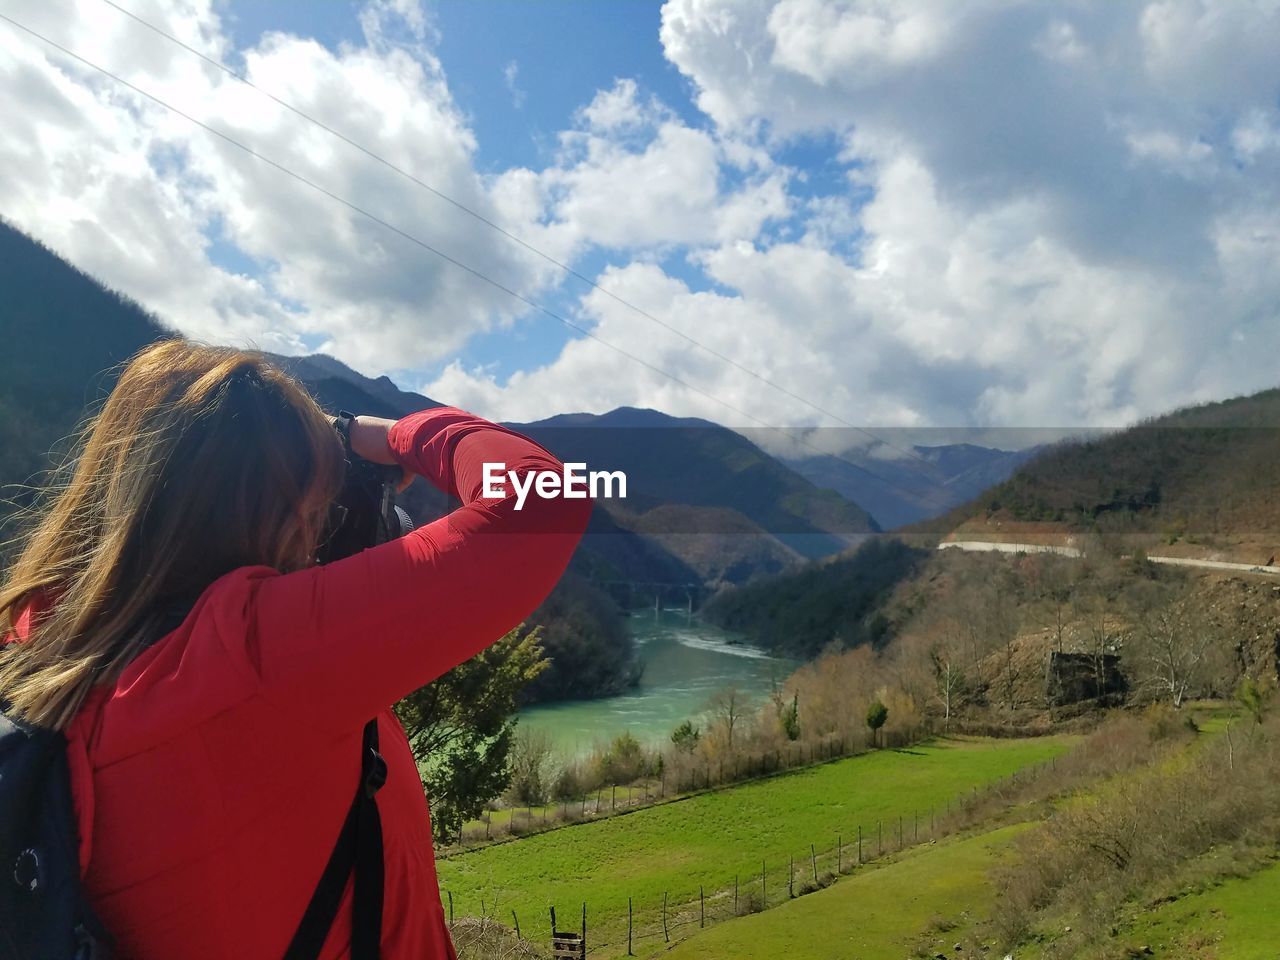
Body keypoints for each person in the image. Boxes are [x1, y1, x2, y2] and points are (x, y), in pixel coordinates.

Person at [0, 339, 592, 959]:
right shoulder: (254, 661)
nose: (318, 539)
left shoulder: (43, 647)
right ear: (258, 513)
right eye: (311, 514)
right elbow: (541, 495)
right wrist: (382, 434)